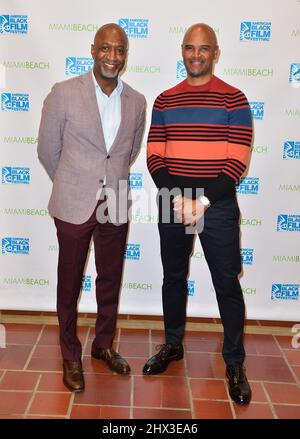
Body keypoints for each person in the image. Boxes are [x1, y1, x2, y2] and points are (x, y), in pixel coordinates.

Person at [144, 23, 253, 405]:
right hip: (174, 200)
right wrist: (180, 198)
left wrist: (200, 202)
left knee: (226, 282)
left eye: (203, 48)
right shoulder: (164, 100)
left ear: (215, 53)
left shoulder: (234, 100)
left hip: (218, 205)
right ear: (182, 51)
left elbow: (236, 160)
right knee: (173, 276)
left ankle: (235, 362)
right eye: (190, 48)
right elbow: (154, 154)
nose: (196, 54)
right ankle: (173, 345)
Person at [38, 23, 146, 392]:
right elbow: (47, 150)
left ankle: (103, 346)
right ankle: (70, 353)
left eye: (119, 50)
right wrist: (73, 182)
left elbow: (127, 154)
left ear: (125, 56)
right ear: (93, 49)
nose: (112, 56)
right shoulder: (64, 93)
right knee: (69, 282)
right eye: (106, 48)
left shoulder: (137, 101)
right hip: (73, 201)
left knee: (110, 280)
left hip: (115, 201)